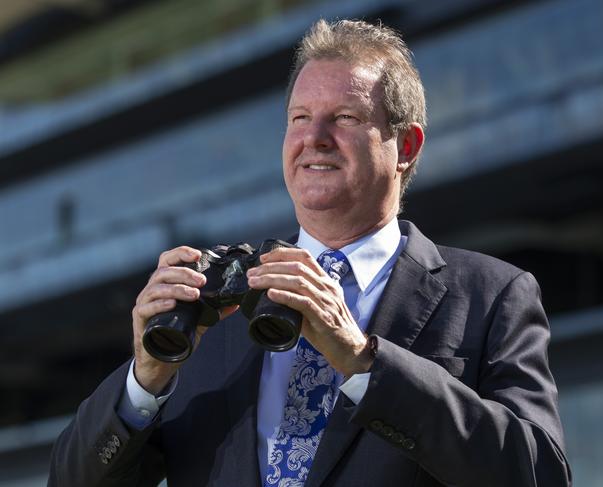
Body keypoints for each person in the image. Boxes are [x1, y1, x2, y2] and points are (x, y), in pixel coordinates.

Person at [48, 19, 572, 487]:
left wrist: (364, 360)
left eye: (343, 117)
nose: (313, 138)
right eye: (300, 118)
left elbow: (539, 474)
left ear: (406, 147)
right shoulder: (218, 303)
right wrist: (145, 380)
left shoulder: (491, 294)